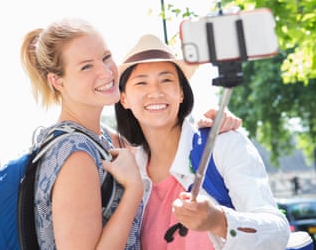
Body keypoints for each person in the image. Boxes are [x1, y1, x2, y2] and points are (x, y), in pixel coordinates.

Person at [114, 34, 290, 249]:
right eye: (141, 83)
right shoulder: (128, 173)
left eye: (166, 80)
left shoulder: (222, 144)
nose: (155, 92)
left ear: (180, 92)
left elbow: (278, 232)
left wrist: (219, 221)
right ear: (124, 98)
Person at [20, 17, 144, 249]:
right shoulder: (76, 155)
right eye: (86, 66)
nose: (106, 73)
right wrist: (133, 190)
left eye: (106, 57)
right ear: (57, 81)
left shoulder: (98, 138)